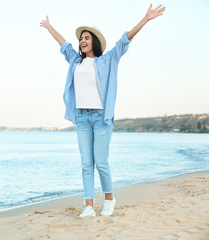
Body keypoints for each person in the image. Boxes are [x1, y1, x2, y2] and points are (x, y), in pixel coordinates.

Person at [39, 4, 165, 217]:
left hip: (100, 118)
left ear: (94, 41)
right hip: (81, 117)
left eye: (87, 38)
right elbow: (63, 44)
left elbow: (124, 41)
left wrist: (145, 19)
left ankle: (109, 198)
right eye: (81, 38)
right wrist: (49, 27)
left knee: (101, 162)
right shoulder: (75, 60)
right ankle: (89, 205)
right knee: (86, 163)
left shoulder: (107, 60)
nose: (82, 41)